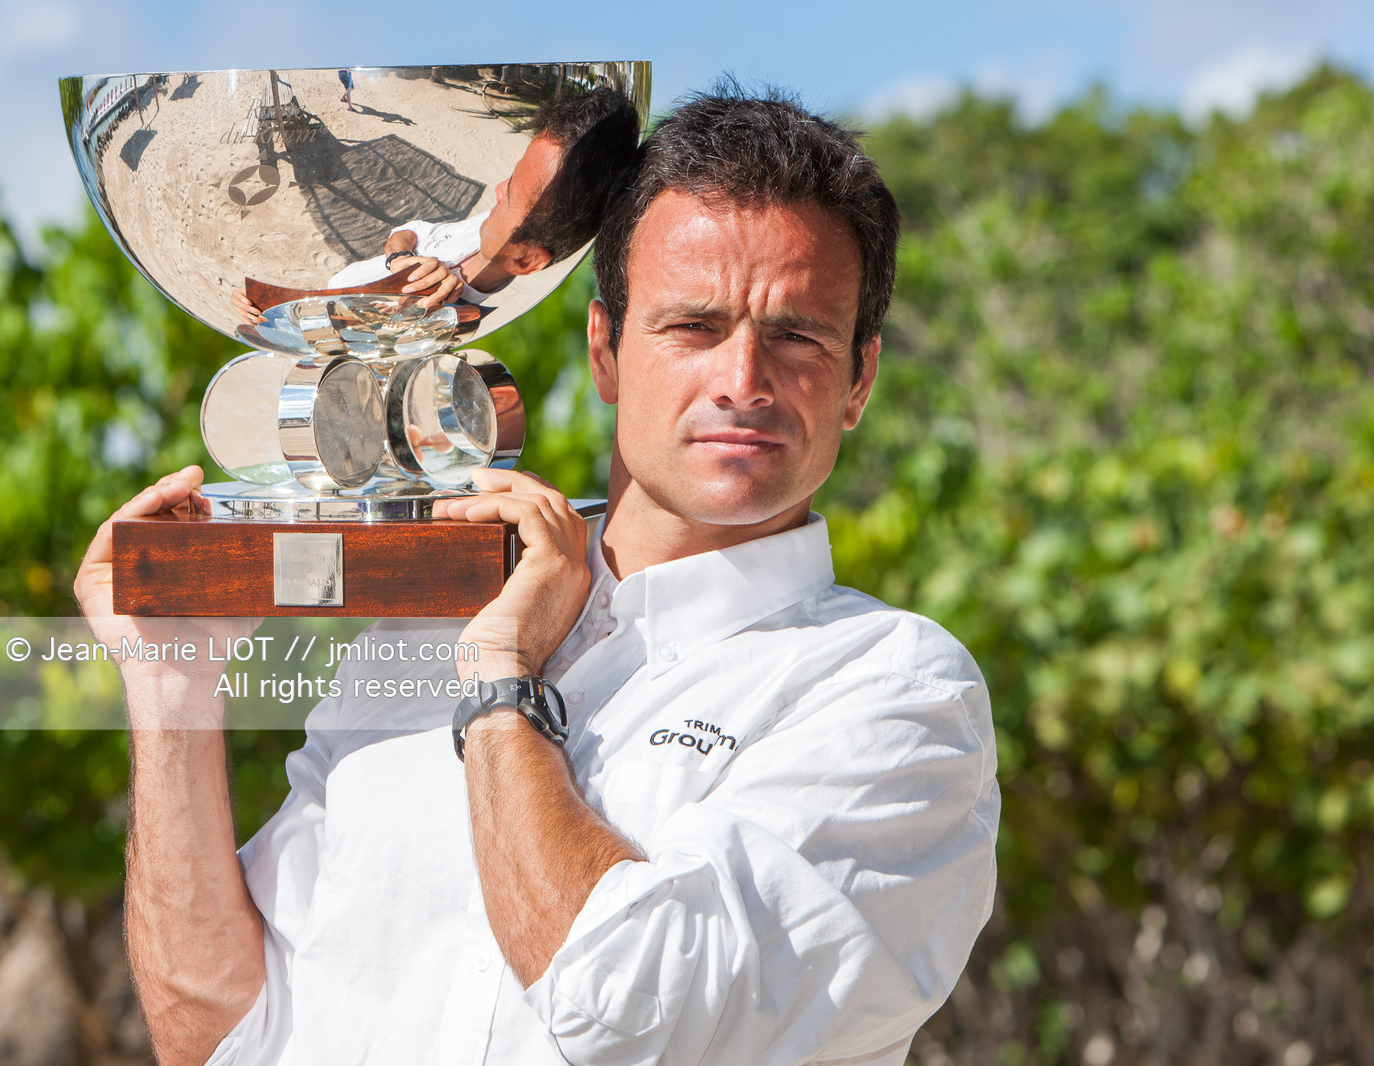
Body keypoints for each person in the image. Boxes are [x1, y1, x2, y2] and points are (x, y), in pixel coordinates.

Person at [78, 86, 999, 1066]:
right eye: (692, 326)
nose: (741, 379)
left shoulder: (892, 690)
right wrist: (170, 683)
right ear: (605, 350)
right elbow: (214, 1033)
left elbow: (632, 1011)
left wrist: (502, 684)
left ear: (859, 380)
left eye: (798, 336)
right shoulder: (424, 629)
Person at [232, 86, 641, 320]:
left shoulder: (452, 310)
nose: (498, 190)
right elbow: (409, 230)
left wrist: (275, 308)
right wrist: (401, 260)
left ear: (525, 261)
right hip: (316, 291)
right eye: (512, 178)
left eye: (512, 194)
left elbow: (338, 324)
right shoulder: (486, 233)